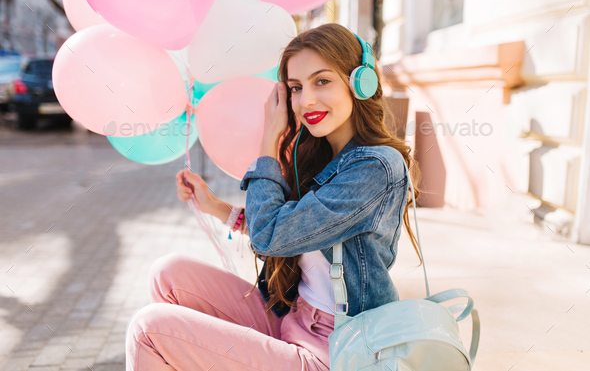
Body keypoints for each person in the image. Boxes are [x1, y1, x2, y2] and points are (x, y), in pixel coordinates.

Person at [125, 23, 422, 371]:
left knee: (149, 330)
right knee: (168, 274)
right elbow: (294, 228)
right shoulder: (322, 154)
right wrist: (216, 207)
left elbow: (271, 236)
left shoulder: (376, 167)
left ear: (361, 82)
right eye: (296, 88)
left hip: (335, 350)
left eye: (322, 81)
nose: (305, 100)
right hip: (291, 317)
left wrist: (269, 141)